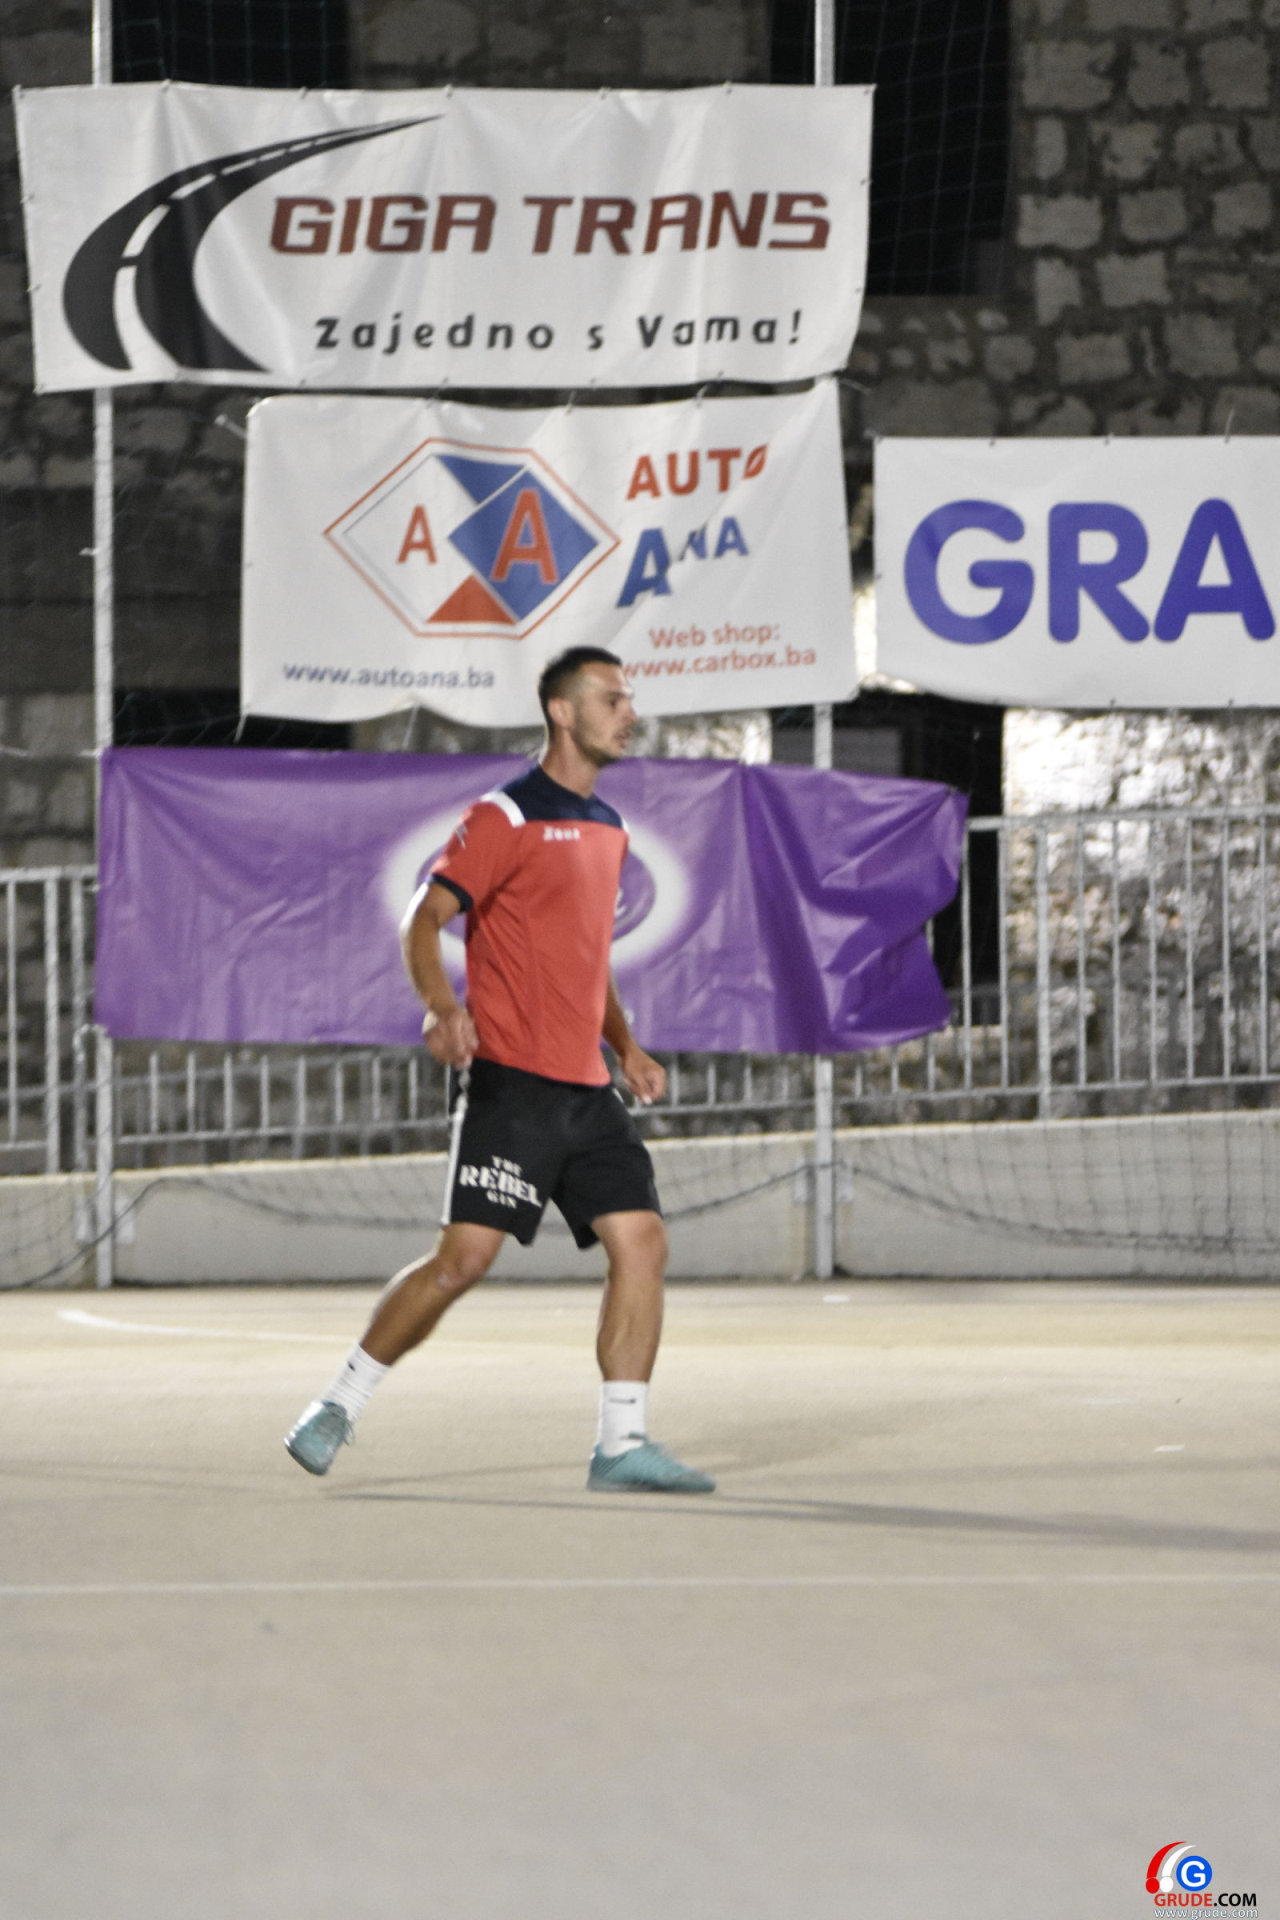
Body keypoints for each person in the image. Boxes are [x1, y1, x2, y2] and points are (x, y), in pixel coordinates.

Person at [284, 646, 714, 1494]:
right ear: (563, 711)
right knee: (461, 1263)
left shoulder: (611, 827)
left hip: (589, 1091)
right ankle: (337, 1403)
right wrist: (441, 1007)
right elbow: (423, 916)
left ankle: (622, 1444)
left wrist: (624, 1046)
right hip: (513, 1084)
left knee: (642, 1241)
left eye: (629, 699)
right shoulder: (504, 816)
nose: (629, 713)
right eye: (612, 699)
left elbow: (590, 960)